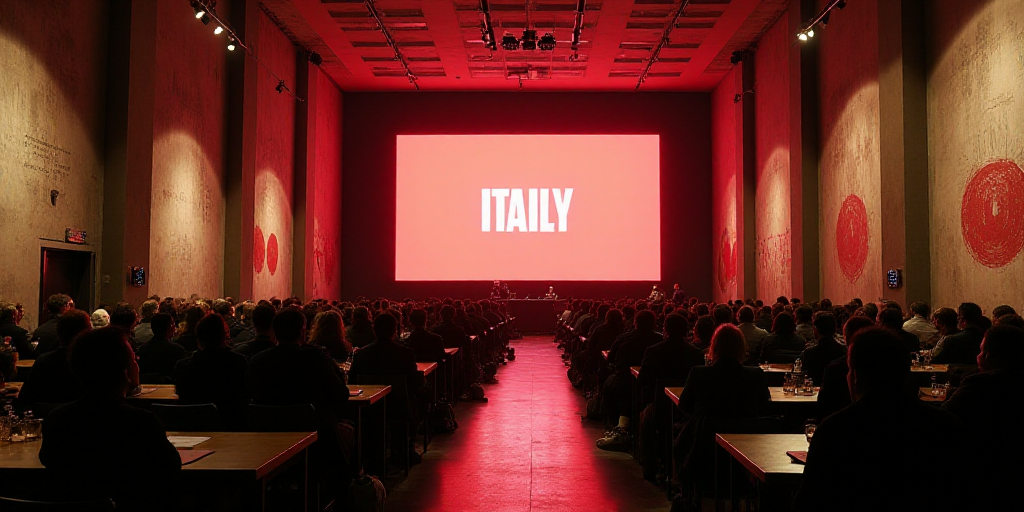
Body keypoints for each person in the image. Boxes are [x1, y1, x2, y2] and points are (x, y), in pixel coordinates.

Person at [793, 327, 968, 512]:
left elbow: (809, 501)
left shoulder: (834, 430)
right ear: (906, 374)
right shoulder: (946, 426)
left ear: (855, 376)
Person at [38, 327, 180, 511]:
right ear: (125, 371)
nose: (137, 363)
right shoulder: (141, 423)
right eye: (134, 359)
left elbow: (47, 461)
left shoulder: (57, 420)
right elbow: (171, 468)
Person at [247, 308, 353, 501]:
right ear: (303, 331)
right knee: (348, 431)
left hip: (267, 442)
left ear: (274, 331)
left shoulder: (257, 361)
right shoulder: (315, 359)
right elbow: (341, 394)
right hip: (317, 441)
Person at [941, 325, 1024, 510]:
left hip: (982, 474)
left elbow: (943, 420)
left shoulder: (980, 384)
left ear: (987, 356)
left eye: (980, 351)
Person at [348, 311, 425, 465]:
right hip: (399, 406)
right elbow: (415, 381)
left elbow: (352, 381)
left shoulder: (361, 355)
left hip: (369, 408)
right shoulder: (405, 353)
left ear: (374, 330)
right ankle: (405, 447)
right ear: (395, 330)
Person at [637, 313, 704, 479]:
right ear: (686, 330)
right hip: (687, 412)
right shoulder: (696, 353)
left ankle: (649, 467)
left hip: (660, 407)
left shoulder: (653, 351)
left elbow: (643, 379)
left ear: (665, 329)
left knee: (644, 419)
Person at [597, 310, 664, 450]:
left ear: (635, 323)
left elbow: (610, 358)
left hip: (624, 382)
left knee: (608, 386)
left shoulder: (624, 338)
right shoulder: (660, 340)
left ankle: (616, 426)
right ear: (653, 323)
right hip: (653, 386)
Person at [172, 314, 249, 430]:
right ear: (224, 336)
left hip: (192, 426)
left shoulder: (183, 366)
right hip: (232, 425)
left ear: (199, 338)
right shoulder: (239, 363)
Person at [17, 310, 91, 409]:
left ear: (59, 335)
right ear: (86, 334)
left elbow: (25, 398)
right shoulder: (92, 363)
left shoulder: (43, 361)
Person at [136, 313, 187, 381]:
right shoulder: (177, 350)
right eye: (173, 323)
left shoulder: (142, 349)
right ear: (169, 328)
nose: (175, 326)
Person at [799, 312, 844, 385]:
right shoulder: (844, 352)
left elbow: (804, 377)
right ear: (835, 329)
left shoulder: (809, 354)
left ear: (815, 330)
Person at [31, 294, 74, 358]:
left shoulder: (39, 331)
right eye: (71, 305)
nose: (73, 309)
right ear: (64, 307)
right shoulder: (71, 330)